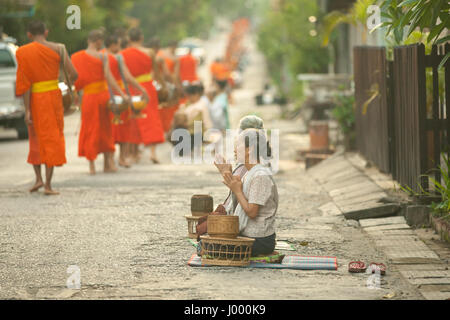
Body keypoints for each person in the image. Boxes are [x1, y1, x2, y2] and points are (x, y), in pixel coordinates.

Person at [16, 20, 78, 195]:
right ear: (47, 32)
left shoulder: (23, 52)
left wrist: (27, 110)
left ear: (29, 34)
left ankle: (38, 179)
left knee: (35, 137)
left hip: (35, 99)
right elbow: (74, 74)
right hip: (53, 98)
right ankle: (48, 185)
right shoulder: (59, 48)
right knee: (51, 138)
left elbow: (25, 84)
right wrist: (64, 84)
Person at [71, 29, 130, 175]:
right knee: (105, 130)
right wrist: (122, 94)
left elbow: (74, 79)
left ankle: (91, 166)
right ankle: (107, 164)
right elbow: (109, 78)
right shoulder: (103, 56)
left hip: (89, 97)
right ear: (98, 41)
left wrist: (74, 95)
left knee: (90, 128)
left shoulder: (76, 57)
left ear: (88, 40)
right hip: (103, 97)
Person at [222, 128, 277, 256]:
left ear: (249, 149)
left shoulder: (260, 175)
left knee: (206, 246)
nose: (235, 150)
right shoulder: (249, 172)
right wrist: (229, 178)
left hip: (260, 240)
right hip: (249, 236)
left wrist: (238, 191)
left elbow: (252, 212)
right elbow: (238, 206)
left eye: (238, 145)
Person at [104, 34, 149, 168]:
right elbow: (128, 77)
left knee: (110, 127)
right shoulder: (117, 57)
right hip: (120, 93)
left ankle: (109, 160)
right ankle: (122, 157)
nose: (119, 48)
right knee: (123, 126)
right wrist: (142, 89)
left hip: (107, 93)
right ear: (112, 45)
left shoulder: (100, 56)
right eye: (118, 45)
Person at [121, 28, 165, 164]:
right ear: (141, 38)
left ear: (129, 39)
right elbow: (156, 73)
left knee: (133, 119)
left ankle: (133, 155)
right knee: (151, 118)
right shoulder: (150, 52)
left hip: (131, 87)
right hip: (147, 86)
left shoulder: (122, 54)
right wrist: (162, 85)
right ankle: (153, 153)